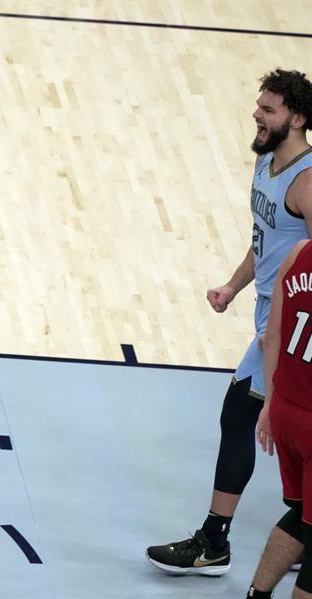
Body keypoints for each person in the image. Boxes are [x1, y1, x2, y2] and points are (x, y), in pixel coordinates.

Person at [147, 68, 312, 576]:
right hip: (272, 319)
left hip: (287, 330)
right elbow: (265, 235)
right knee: (256, 423)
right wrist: (234, 285)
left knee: (245, 416)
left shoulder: (307, 183)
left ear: (298, 119)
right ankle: (292, 532)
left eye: (268, 110)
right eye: (258, 106)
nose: (257, 116)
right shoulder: (266, 161)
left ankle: (217, 542)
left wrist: (290, 328)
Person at [246, 239, 312, 599]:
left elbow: (271, 336)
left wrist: (270, 406)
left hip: (285, 408)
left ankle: (257, 595)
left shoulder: (299, 251)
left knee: (302, 515)